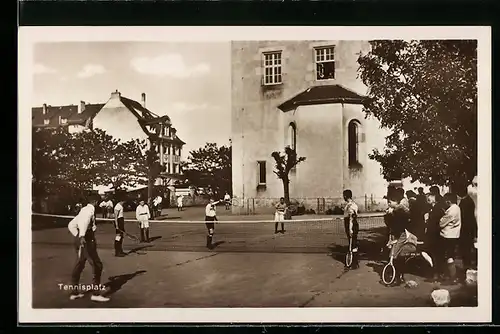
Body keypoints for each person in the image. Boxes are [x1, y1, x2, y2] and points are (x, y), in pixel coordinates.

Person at [67, 196, 110, 302]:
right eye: (98, 202)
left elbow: (71, 225)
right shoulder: (89, 211)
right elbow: (85, 222)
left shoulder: (83, 210)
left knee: (80, 263)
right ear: (95, 202)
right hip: (87, 240)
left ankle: (74, 292)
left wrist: (77, 235)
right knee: (97, 265)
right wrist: (81, 236)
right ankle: (95, 293)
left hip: (82, 238)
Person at [439, 193, 462, 284]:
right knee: (450, 255)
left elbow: (442, 223)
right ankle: (451, 276)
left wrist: (441, 218)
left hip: (448, 235)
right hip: (454, 234)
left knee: (448, 256)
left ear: (448, 201)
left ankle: (452, 277)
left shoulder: (451, 211)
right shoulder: (457, 208)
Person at [457, 184, 477, 272]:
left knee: (466, 249)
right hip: (469, 228)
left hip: (465, 229)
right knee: (468, 248)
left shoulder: (465, 202)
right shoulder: (469, 200)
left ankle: (467, 267)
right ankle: (468, 266)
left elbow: (464, 217)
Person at [343, 189, 359, 269]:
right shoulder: (349, 205)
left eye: (343, 196)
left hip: (351, 225)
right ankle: (354, 262)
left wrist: (350, 228)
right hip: (349, 225)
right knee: (352, 243)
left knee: (353, 243)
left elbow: (351, 218)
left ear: (345, 196)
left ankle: (355, 263)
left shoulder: (351, 206)